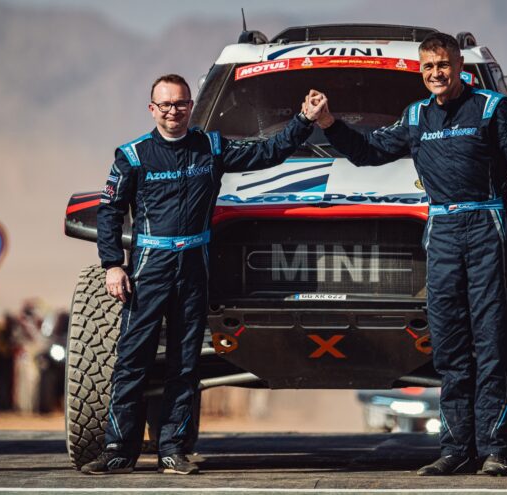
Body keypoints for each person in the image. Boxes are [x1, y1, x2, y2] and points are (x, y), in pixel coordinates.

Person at [306, 32, 507, 476]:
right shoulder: (416, 116)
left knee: (491, 343)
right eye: (428, 68)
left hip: (486, 226)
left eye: (443, 65)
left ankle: (495, 450)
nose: (436, 74)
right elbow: (368, 151)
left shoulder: (493, 108)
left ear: (459, 67)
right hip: (441, 232)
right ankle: (456, 450)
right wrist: (328, 123)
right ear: (421, 72)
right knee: (450, 345)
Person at [82, 74, 326, 475]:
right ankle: (118, 450)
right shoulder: (133, 156)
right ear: (152, 109)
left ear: (190, 106)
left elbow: (268, 152)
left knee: (184, 363)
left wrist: (304, 120)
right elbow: (109, 212)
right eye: (165, 105)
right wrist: (112, 264)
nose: (173, 111)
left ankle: (172, 450)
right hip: (149, 267)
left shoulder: (211, 147)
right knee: (132, 360)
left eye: (180, 103)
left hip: (193, 267)